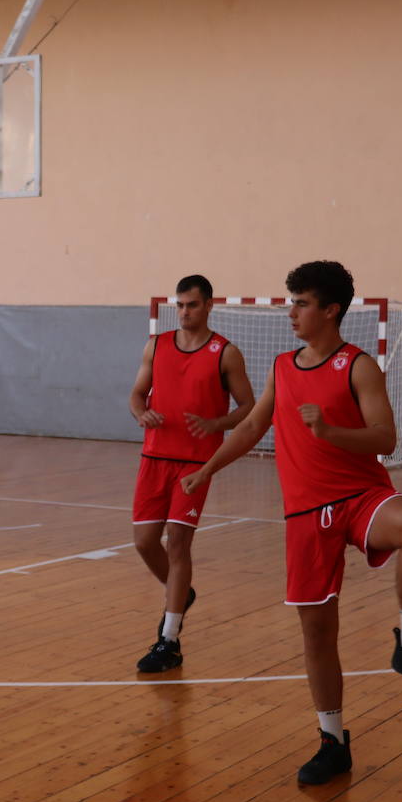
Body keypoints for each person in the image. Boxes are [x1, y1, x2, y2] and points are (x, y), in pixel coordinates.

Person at [181, 260, 402, 786]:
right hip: (306, 516)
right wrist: (207, 470)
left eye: (302, 303)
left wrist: (332, 432)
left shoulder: (359, 366)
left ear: (331, 310)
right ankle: (333, 742)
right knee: (318, 632)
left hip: (360, 498)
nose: (291, 312)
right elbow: (249, 427)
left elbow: (385, 439)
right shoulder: (283, 367)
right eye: (291, 301)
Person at [128, 275, 253, 672]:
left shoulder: (225, 353)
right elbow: (136, 394)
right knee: (145, 542)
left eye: (192, 305)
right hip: (154, 458)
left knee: (179, 545)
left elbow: (249, 406)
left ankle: (169, 639)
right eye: (179, 305)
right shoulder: (157, 345)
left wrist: (218, 424)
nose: (184, 312)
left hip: (195, 465)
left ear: (209, 306)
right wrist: (140, 412)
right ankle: (181, 595)